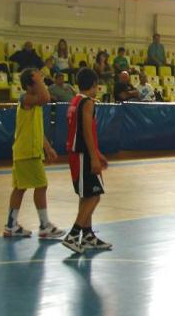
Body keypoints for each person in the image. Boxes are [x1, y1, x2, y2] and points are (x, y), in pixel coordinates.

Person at [3, 68, 65, 240]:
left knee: (20, 188)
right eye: (38, 81)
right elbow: (46, 98)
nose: (42, 82)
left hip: (25, 151)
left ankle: (11, 225)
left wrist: (48, 147)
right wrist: (38, 80)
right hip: (27, 152)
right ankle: (45, 226)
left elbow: (37, 129)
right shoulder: (26, 99)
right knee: (41, 185)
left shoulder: (33, 103)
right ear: (30, 85)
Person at [62, 67, 112, 253]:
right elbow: (86, 131)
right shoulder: (88, 102)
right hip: (83, 155)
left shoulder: (75, 100)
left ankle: (88, 235)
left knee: (86, 196)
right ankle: (73, 235)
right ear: (94, 84)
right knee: (95, 196)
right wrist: (94, 157)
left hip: (77, 154)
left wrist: (97, 153)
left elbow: (81, 130)